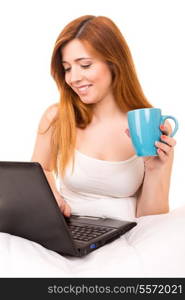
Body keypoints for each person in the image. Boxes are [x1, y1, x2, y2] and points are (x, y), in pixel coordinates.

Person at [31, 15, 177, 220]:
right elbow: (41, 170)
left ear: (114, 63)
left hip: (129, 239)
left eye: (85, 65)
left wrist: (155, 170)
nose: (73, 78)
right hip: (69, 233)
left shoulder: (151, 126)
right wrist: (52, 196)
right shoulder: (57, 117)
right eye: (67, 68)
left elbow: (152, 222)